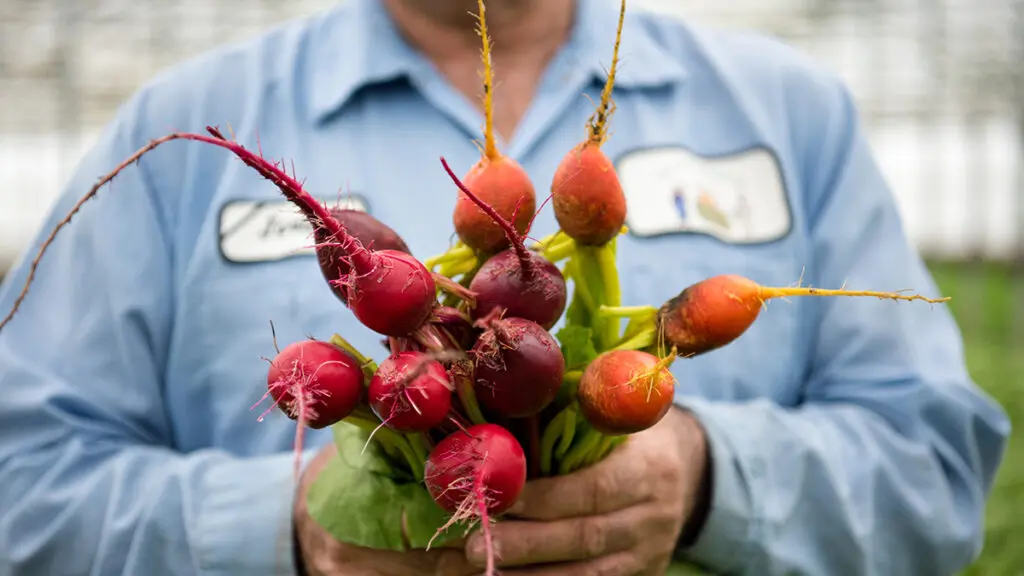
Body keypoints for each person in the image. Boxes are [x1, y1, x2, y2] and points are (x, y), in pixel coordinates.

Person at [0, 0, 1011, 574]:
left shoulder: (793, 112)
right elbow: (21, 489)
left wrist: (706, 478)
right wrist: (283, 529)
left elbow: (934, 473)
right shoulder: (181, 124)